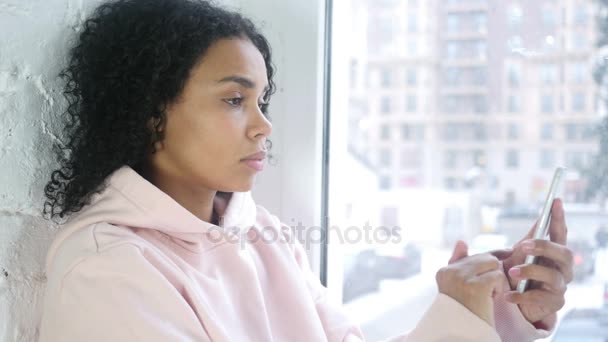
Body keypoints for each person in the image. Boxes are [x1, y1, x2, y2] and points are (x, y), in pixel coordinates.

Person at [38, 0, 574, 341]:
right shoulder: (106, 270)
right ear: (150, 110)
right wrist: (454, 321)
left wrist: (495, 310)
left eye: (262, 100)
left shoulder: (263, 234)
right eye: (233, 100)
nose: (263, 126)